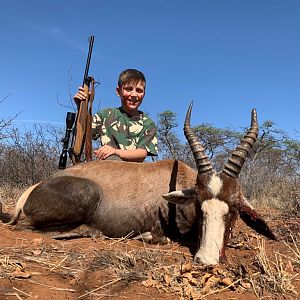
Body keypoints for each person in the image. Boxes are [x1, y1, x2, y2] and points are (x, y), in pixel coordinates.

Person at [74, 69, 158, 162]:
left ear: (144, 94)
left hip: (134, 172)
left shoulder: (148, 123)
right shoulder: (105, 114)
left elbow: (142, 153)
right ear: (118, 91)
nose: (134, 95)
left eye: (139, 90)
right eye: (128, 89)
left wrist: (115, 151)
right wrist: (81, 107)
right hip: (107, 167)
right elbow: (85, 133)